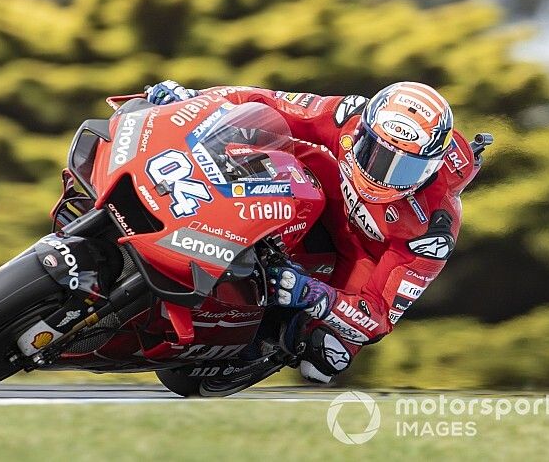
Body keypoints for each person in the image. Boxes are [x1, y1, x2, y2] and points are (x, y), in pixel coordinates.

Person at [144, 79, 486, 383]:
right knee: (263, 140)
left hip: (363, 258)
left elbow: (378, 317)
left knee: (324, 359)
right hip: (324, 187)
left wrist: (311, 295)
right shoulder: (348, 115)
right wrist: (195, 99)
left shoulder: (433, 229)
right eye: (375, 153)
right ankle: (212, 220)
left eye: (405, 167)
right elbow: (267, 101)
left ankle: (260, 334)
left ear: (433, 166)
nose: (383, 175)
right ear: (363, 131)